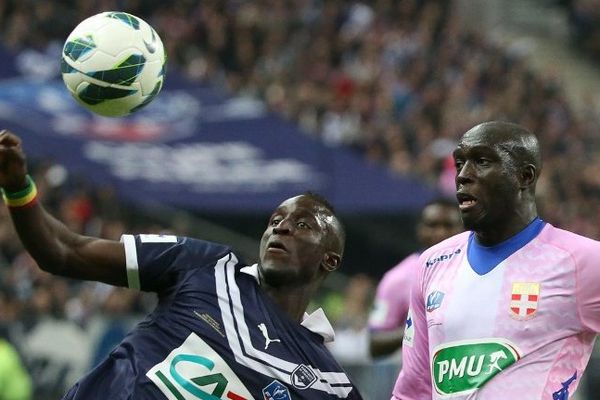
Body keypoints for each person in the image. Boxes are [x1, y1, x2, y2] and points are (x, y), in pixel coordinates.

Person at [0, 129, 363, 399]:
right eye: (275, 220)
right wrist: (18, 187)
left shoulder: (328, 385)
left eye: (302, 225)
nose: (282, 227)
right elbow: (64, 251)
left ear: (329, 260)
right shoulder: (207, 265)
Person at [392, 120, 600, 399]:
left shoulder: (582, 261)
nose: (463, 175)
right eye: (460, 163)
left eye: (481, 161)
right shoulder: (432, 263)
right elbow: (414, 390)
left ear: (525, 177)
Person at [368, 198, 461, 358]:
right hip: (423, 379)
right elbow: (375, 343)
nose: (440, 232)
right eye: (432, 225)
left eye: (448, 225)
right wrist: (420, 323)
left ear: (463, 228)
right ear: (419, 229)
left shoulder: (477, 267)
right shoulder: (398, 278)